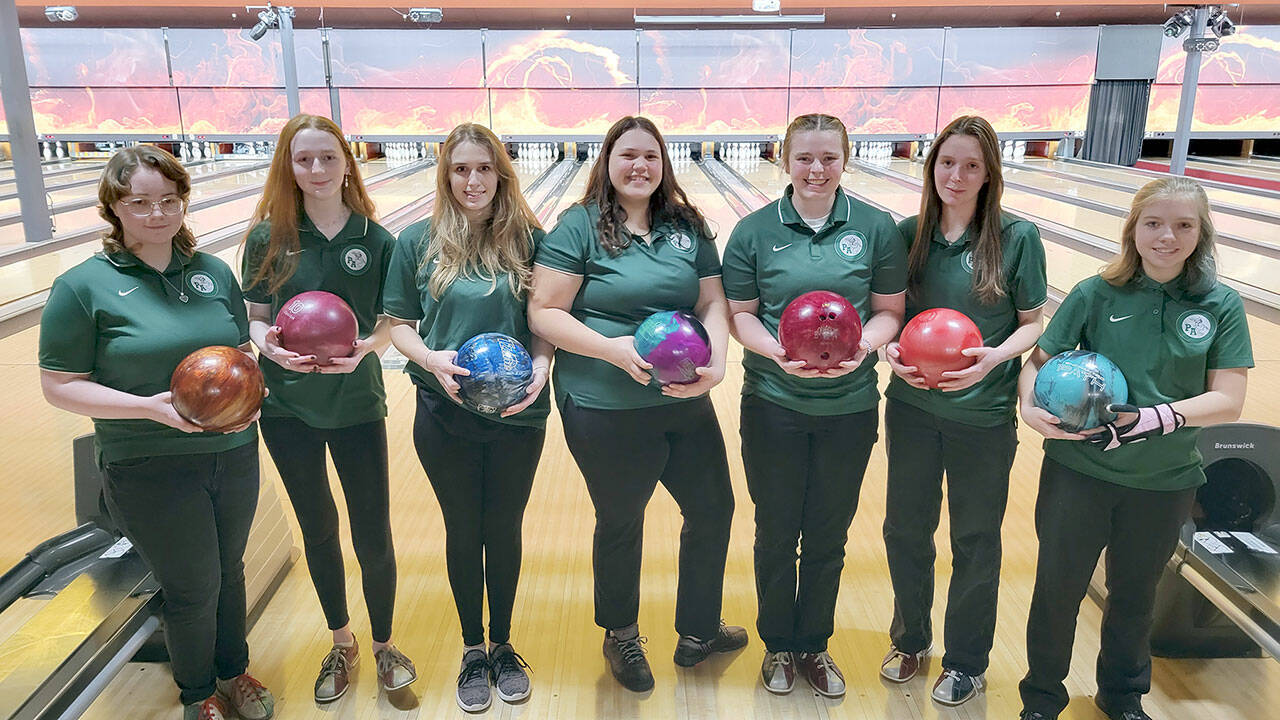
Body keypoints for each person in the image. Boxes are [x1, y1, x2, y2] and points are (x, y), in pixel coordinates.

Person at [39, 146, 274, 720]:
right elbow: (60, 385)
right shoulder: (82, 287)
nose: (157, 213)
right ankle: (198, 695)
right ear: (113, 207)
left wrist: (251, 393)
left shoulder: (212, 272)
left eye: (169, 200)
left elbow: (238, 352)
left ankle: (232, 669)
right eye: (139, 202)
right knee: (193, 584)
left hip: (232, 452)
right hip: (146, 460)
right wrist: (148, 408)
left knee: (230, 569)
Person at [1016, 176, 1252, 720]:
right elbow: (1036, 364)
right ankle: (1042, 700)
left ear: (1201, 232)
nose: (1166, 236)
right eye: (1153, 223)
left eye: (1183, 225)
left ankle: (1122, 699)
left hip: (1165, 478)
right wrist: (1030, 409)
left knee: (1135, 598)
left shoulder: (1221, 304)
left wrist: (1157, 416)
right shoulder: (1095, 293)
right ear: (1133, 230)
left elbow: (1229, 399)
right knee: (1058, 591)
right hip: (1080, 469)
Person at [527, 116, 746, 693]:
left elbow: (712, 302)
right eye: (628, 155)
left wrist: (718, 363)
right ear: (608, 161)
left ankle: (698, 627)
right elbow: (544, 312)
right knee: (622, 520)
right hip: (603, 404)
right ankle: (621, 633)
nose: (640, 166)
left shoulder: (686, 226)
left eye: (651, 155)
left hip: (681, 398)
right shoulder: (578, 226)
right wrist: (612, 349)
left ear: (664, 163)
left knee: (713, 508)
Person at [721, 113, 906, 697]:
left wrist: (863, 347)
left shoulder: (878, 228)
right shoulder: (752, 231)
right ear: (784, 160)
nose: (817, 169)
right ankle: (778, 644)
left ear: (845, 159)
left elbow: (888, 311)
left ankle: (815, 646)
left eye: (828, 157)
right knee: (776, 531)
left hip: (849, 406)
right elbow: (741, 315)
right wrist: (777, 352)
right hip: (773, 402)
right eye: (804, 157)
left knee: (829, 534)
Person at [241, 114, 415, 703]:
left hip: (357, 401)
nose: (316, 169)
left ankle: (387, 643)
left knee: (373, 531)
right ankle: (343, 642)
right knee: (318, 528)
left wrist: (367, 347)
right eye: (303, 159)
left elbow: (393, 320)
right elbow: (259, 317)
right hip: (287, 406)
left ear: (347, 161)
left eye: (327, 157)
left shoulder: (377, 240)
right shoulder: (268, 237)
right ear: (287, 167)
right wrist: (270, 349)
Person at [878, 115, 1047, 705]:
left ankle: (968, 659)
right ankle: (911, 639)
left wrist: (995, 356)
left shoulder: (1017, 237)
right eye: (947, 162)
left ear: (989, 174)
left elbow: (1032, 326)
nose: (957, 175)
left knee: (975, 537)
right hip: (912, 407)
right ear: (931, 167)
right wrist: (891, 350)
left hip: (983, 415)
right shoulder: (906, 234)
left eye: (971, 165)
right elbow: (889, 315)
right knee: (905, 529)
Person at [385, 123, 550, 712]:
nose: (473, 180)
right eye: (461, 169)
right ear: (445, 174)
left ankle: (503, 644)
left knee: (503, 527)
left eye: (484, 169)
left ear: (501, 174)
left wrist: (543, 365)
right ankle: (470, 649)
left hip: (519, 411)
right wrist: (430, 358)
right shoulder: (416, 241)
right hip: (442, 407)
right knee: (463, 528)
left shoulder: (531, 238)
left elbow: (546, 318)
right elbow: (399, 324)